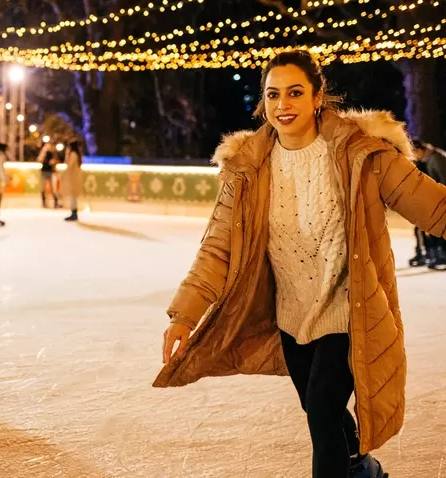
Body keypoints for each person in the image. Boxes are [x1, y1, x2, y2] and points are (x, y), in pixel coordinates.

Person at [155, 50, 446, 477]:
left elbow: (432, 205)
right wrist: (185, 315)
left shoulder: (360, 154)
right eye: (273, 95)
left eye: (295, 93)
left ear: (317, 96)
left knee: (324, 411)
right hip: (291, 316)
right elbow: (218, 248)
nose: (283, 105)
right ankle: (364, 470)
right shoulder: (248, 168)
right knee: (316, 406)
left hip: (350, 311)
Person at [413, 140, 446, 269]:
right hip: (437, 198)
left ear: (420, 150)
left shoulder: (435, 159)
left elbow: (443, 180)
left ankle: (438, 255)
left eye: (415, 153)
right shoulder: (430, 158)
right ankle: (431, 254)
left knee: (434, 226)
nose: (415, 156)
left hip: (441, 198)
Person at [61, 140, 83, 221]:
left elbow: (69, 165)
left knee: (73, 195)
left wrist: (64, 173)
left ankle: (74, 213)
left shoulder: (73, 154)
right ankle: (73, 212)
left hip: (73, 177)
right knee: (72, 195)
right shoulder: (74, 154)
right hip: (73, 177)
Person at [38, 143, 60, 208]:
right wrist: (43, 152)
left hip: (50, 172)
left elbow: (56, 161)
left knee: (52, 188)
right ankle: (44, 203)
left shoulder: (53, 153)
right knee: (43, 188)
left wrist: (53, 162)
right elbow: (39, 160)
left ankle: (55, 202)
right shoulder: (43, 154)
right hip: (44, 171)